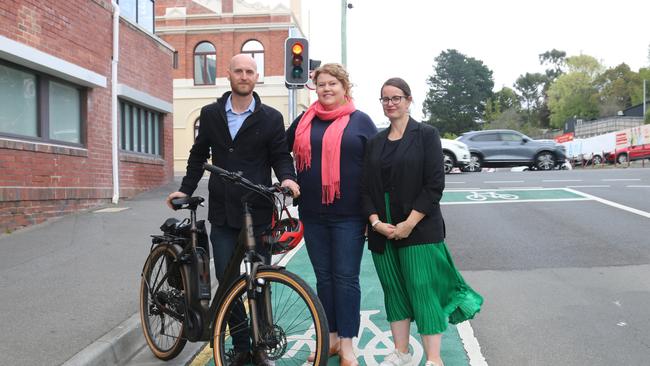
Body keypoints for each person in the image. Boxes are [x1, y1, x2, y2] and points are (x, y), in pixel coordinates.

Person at [167, 54, 299, 366]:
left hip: (258, 209)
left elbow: (280, 155)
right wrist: (185, 189)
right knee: (228, 282)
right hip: (224, 212)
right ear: (228, 75)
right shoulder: (211, 113)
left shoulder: (270, 118)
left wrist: (288, 178)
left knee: (259, 280)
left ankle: (261, 347)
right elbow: (199, 155)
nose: (244, 75)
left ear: (257, 77)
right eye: (238, 70)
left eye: (249, 71)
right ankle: (241, 346)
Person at [361, 78, 483, 366]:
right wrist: (376, 223)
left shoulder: (426, 134)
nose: (390, 103)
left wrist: (409, 224)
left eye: (396, 98)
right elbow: (364, 188)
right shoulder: (375, 143)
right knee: (394, 292)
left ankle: (434, 358)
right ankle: (401, 353)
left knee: (422, 290)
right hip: (383, 232)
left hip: (418, 229)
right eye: (385, 99)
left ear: (408, 99)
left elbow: (434, 185)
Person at [286, 63, 377, 366]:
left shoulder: (361, 122)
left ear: (344, 87)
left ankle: (348, 344)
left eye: (332, 84)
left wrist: (372, 215)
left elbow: (375, 171)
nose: (326, 89)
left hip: (350, 216)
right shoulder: (303, 122)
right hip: (312, 213)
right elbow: (278, 150)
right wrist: (287, 178)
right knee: (324, 279)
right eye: (321, 84)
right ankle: (332, 338)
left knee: (346, 279)